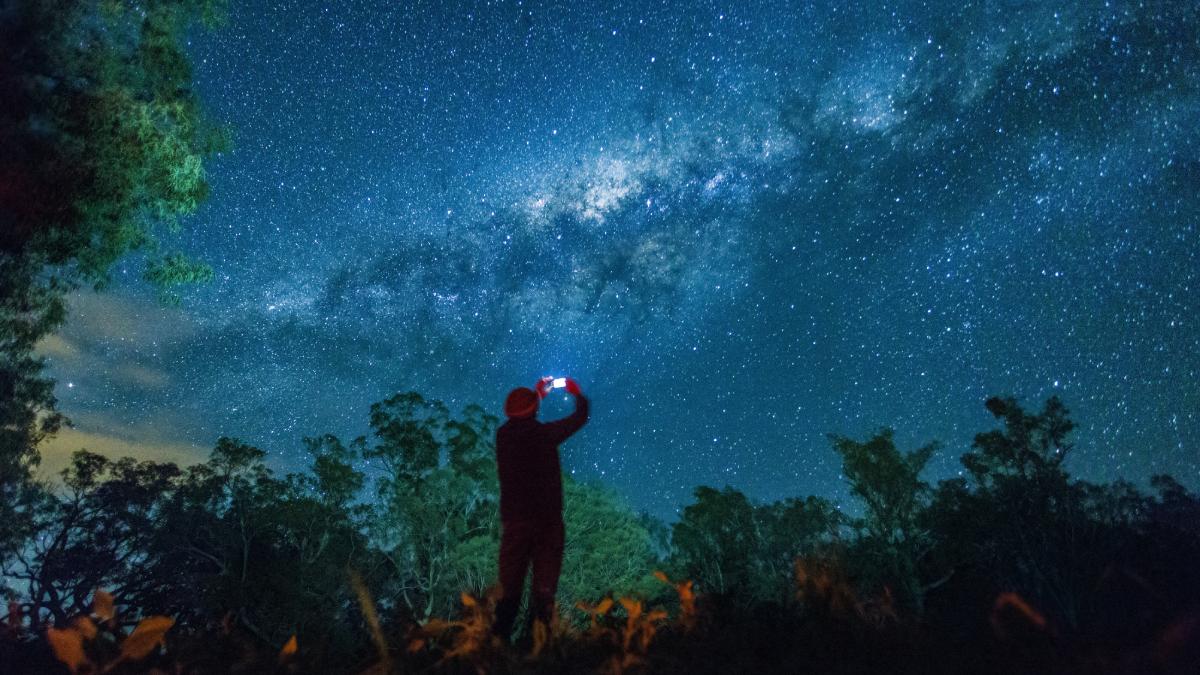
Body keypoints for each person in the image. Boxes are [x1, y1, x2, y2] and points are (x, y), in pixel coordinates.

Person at [491, 376, 589, 643]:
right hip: (547, 525)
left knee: (509, 592)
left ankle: (493, 651)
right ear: (533, 409)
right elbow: (580, 417)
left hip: (515, 525)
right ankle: (537, 652)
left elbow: (522, 419)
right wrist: (576, 392)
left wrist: (535, 397)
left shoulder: (503, 437)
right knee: (543, 593)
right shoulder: (545, 435)